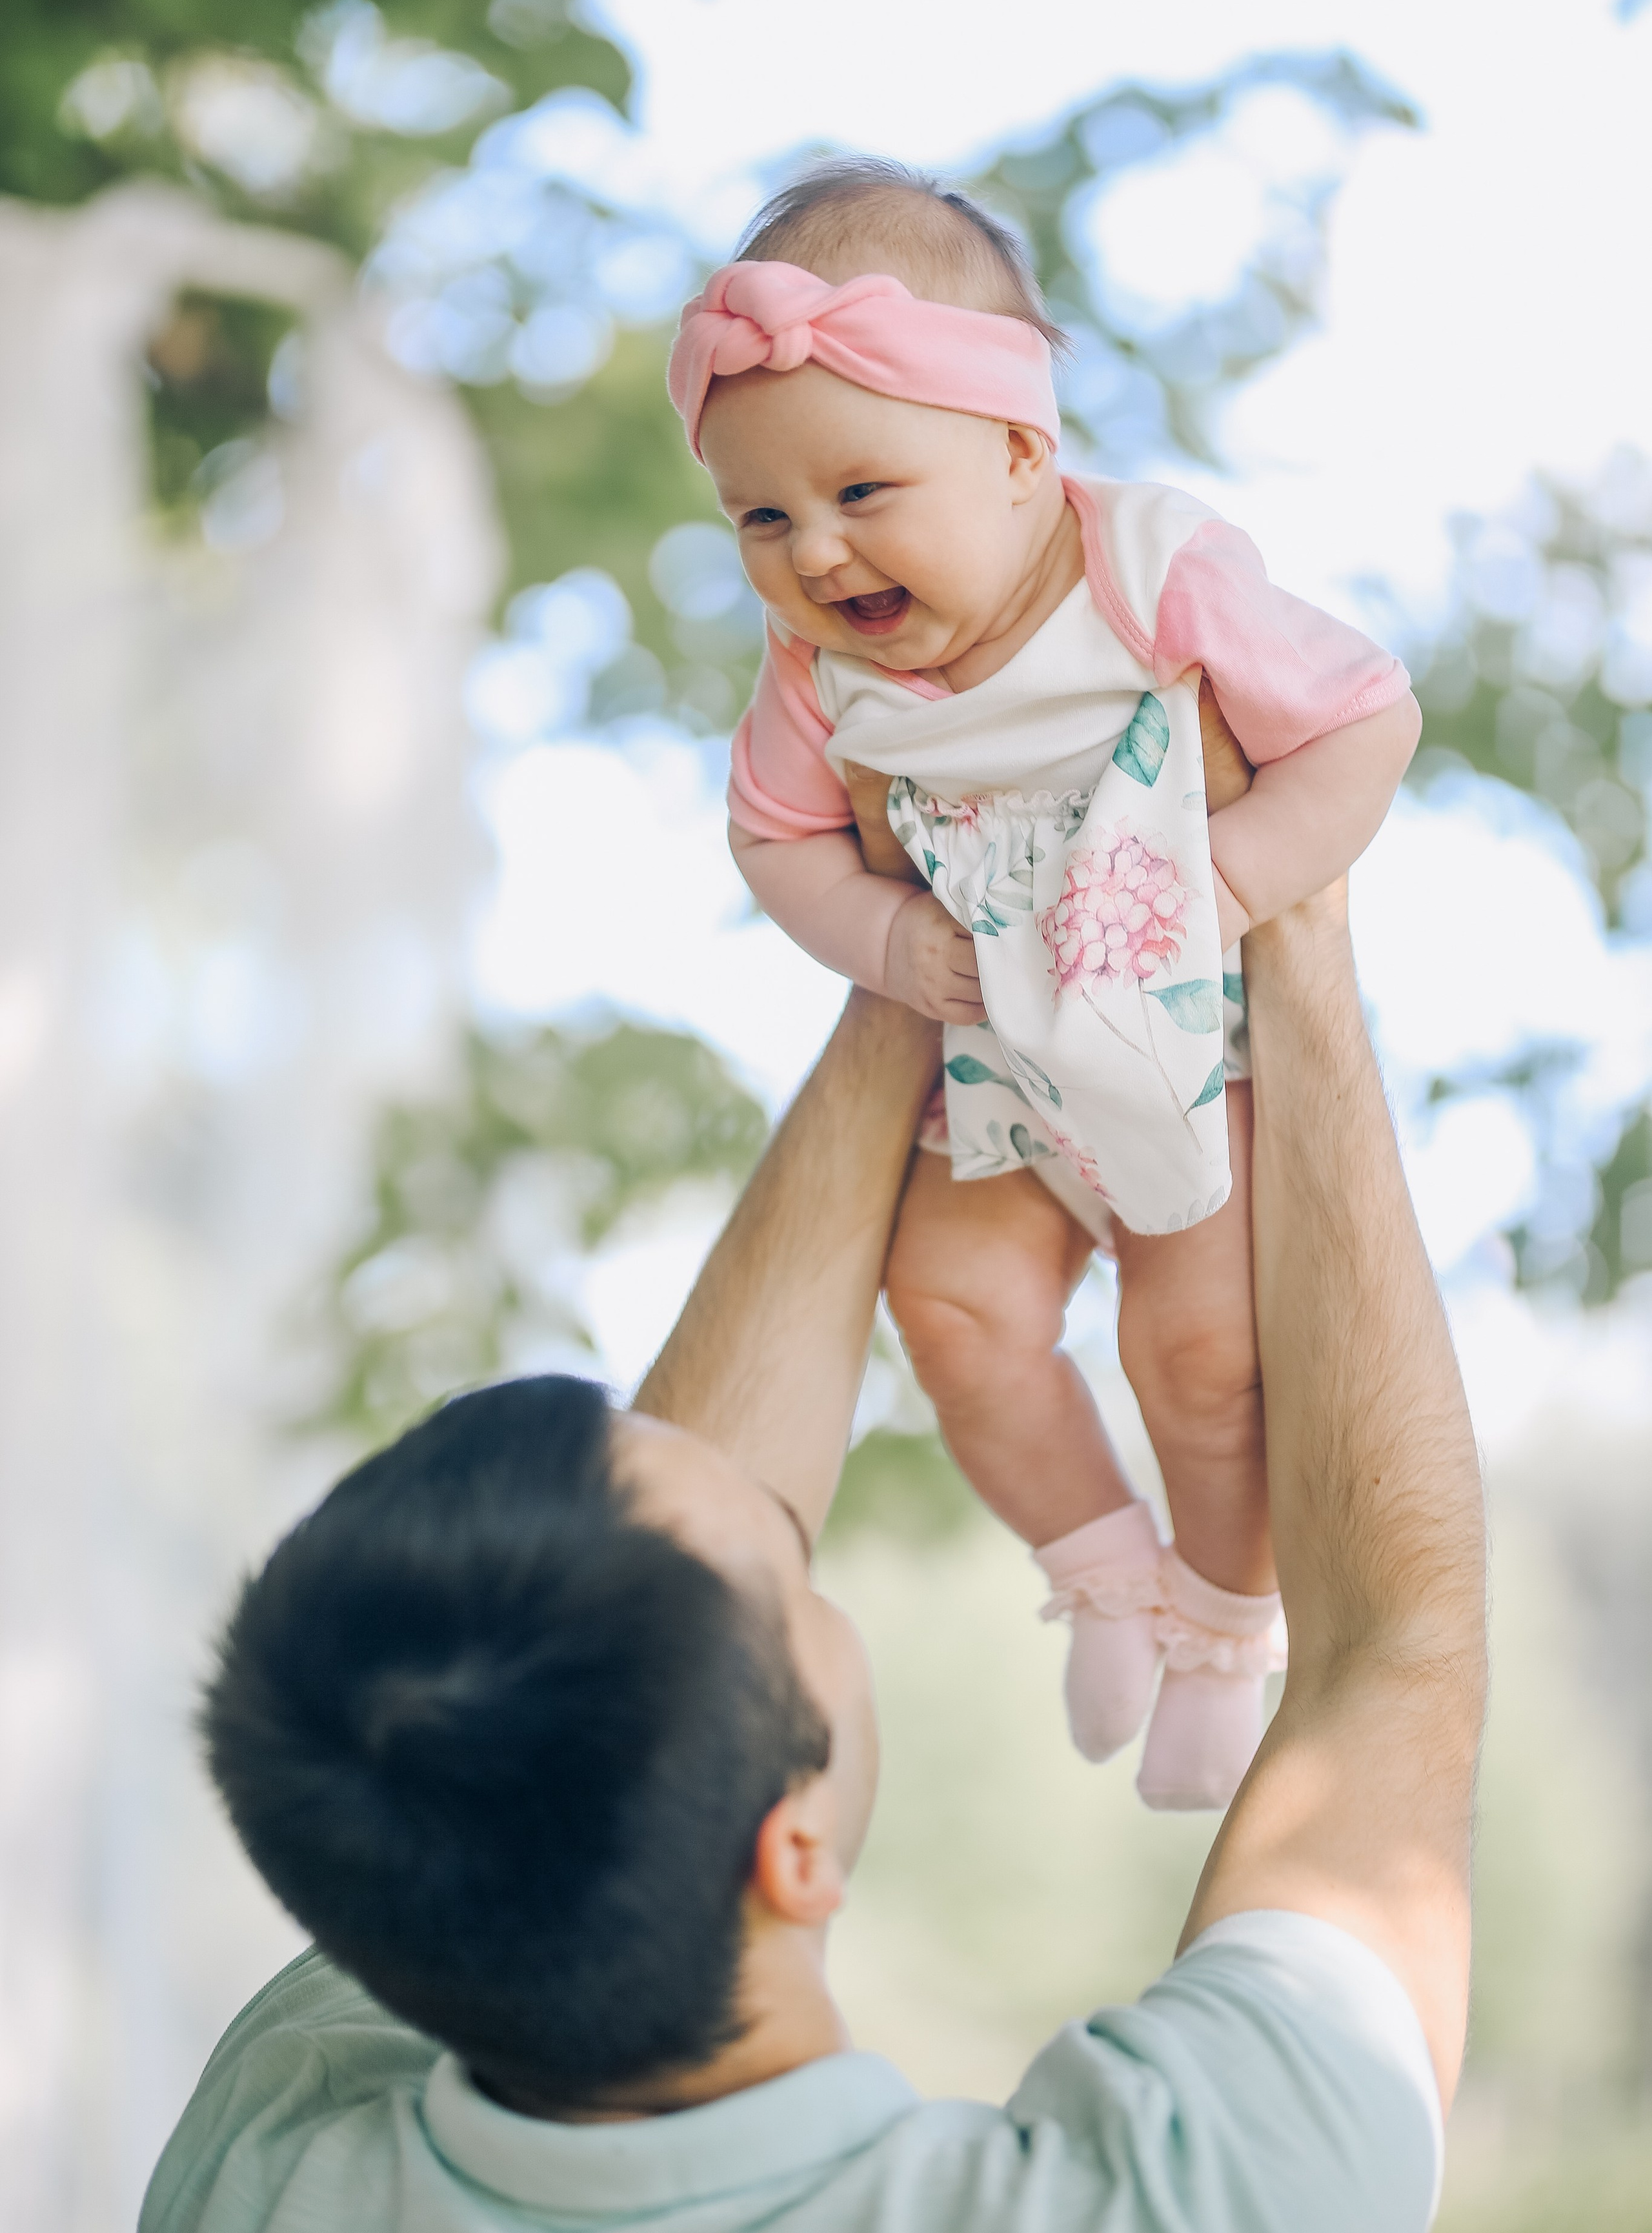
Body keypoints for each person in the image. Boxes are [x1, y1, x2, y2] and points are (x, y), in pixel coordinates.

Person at [141, 877, 1485, 2233]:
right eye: (794, 1581)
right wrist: (1291, 912)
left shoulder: (289, 2146)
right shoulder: (1188, 2202)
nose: (793, 1530)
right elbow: (1398, 1657)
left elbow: (647, 1588)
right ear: (789, 1852)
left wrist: (918, 946)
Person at [676, 159, 1422, 1808]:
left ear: (1019, 454)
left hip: (1190, 1050)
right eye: (762, 517)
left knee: (1201, 1359)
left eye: (862, 492)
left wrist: (1233, 878)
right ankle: (1101, 1574)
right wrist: (885, 945)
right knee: (950, 1310)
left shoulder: (1148, 572)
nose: (815, 554)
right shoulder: (818, 682)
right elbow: (774, 841)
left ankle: (1226, 1629)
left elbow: (1364, 716)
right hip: (998, 1059)